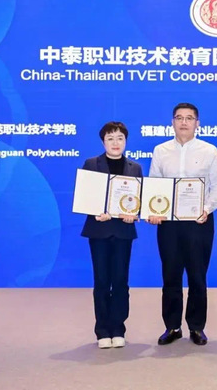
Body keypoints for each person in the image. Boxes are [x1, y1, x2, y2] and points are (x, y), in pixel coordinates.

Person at [148, 103, 217, 346]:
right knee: (170, 276)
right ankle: (172, 327)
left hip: (198, 222)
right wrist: (154, 210)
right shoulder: (161, 150)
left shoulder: (209, 151)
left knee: (197, 276)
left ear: (197, 123)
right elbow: (154, 184)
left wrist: (207, 209)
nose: (184, 122)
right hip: (169, 224)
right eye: (179, 118)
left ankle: (196, 327)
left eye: (189, 118)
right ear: (172, 122)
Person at [80, 121, 143, 349]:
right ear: (103, 142)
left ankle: (118, 328)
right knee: (101, 281)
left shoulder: (134, 168)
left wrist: (134, 214)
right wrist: (95, 211)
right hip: (99, 231)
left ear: (126, 141)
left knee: (120, 281)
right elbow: (85, 196)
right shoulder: (91, 164)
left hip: (123, 231)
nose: (115, 143)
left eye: (120, 138)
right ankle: (102, 330)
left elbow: (139, 200)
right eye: (110, 138)